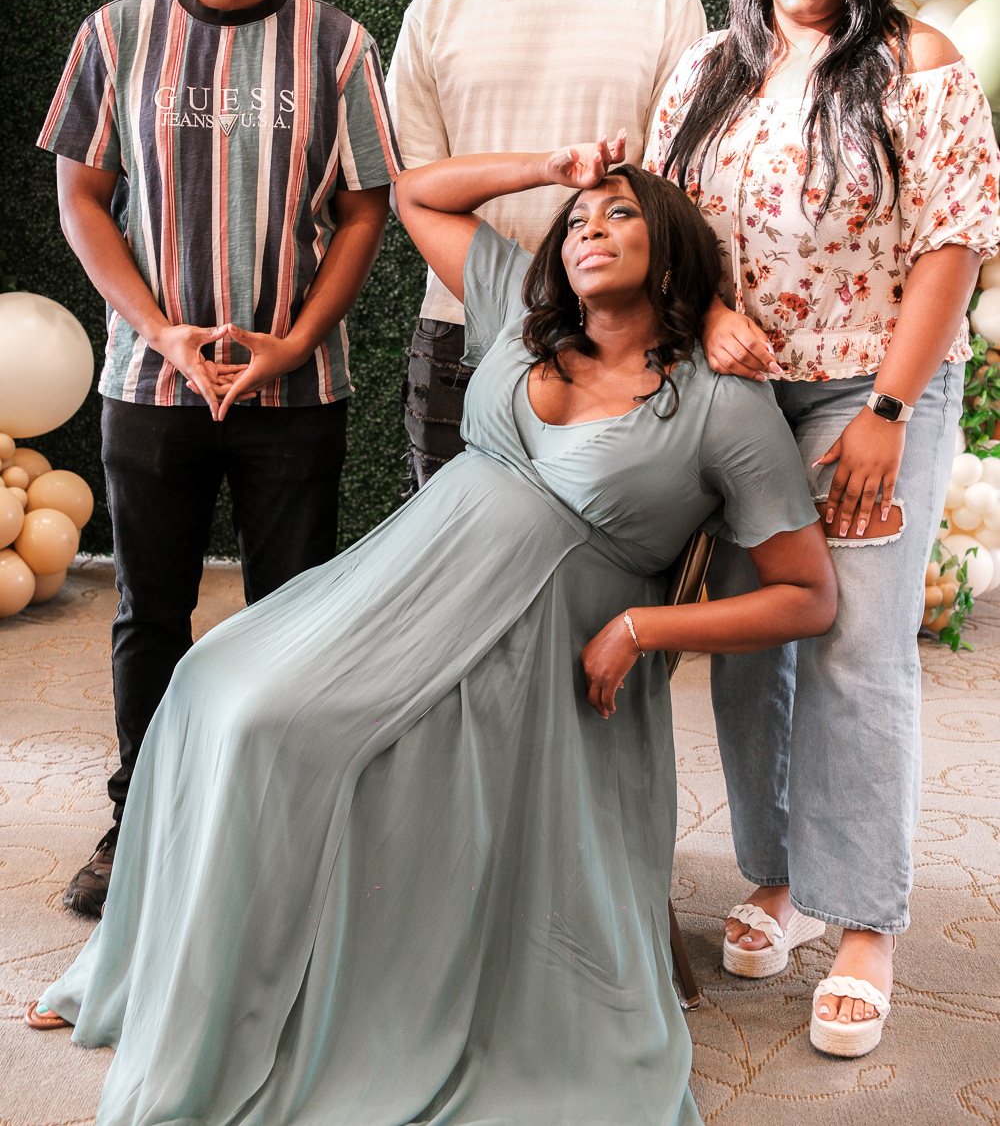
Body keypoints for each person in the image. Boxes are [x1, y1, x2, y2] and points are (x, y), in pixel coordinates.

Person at [25, 139, 838, 1126]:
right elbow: (419, 196)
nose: (588, 229)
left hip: (528, 651)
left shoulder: (722, 403)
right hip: (398, 590)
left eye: (619, 214)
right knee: (212, 685)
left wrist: (642, 625)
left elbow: (807, 596)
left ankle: (306, 1009)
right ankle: (170, 980)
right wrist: (557, 168)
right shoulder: (523, 316)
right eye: (577, 222)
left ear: (671, 246)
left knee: (288, 736)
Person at [643, 0, 1000, 1060]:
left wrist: (884, 416)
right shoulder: (706, 67)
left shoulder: (919, 65)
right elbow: (667, 222)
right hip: (740, 393)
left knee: (852, 648)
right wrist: (708, 314)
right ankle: (784, 875)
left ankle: (862, 924)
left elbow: (951, 246)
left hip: (872, 387)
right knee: (754, 645)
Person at [38, 0, 401, 918]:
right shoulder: (116, 35)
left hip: (296, 391)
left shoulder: (338, 45)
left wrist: (296, 339)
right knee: (150, 612)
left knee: (290, 619)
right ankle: (140, 820)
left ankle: (279, 827)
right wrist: (158, 329)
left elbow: (365, 208)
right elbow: (82, 197)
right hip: (151, 386)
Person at [387, 0, 706, 488]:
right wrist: (512, 302)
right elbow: (419, 189)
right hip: (462, 330)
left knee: (603, 550)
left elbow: (677, 185)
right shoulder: (436, 9)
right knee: (450, 546)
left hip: (618, 337)